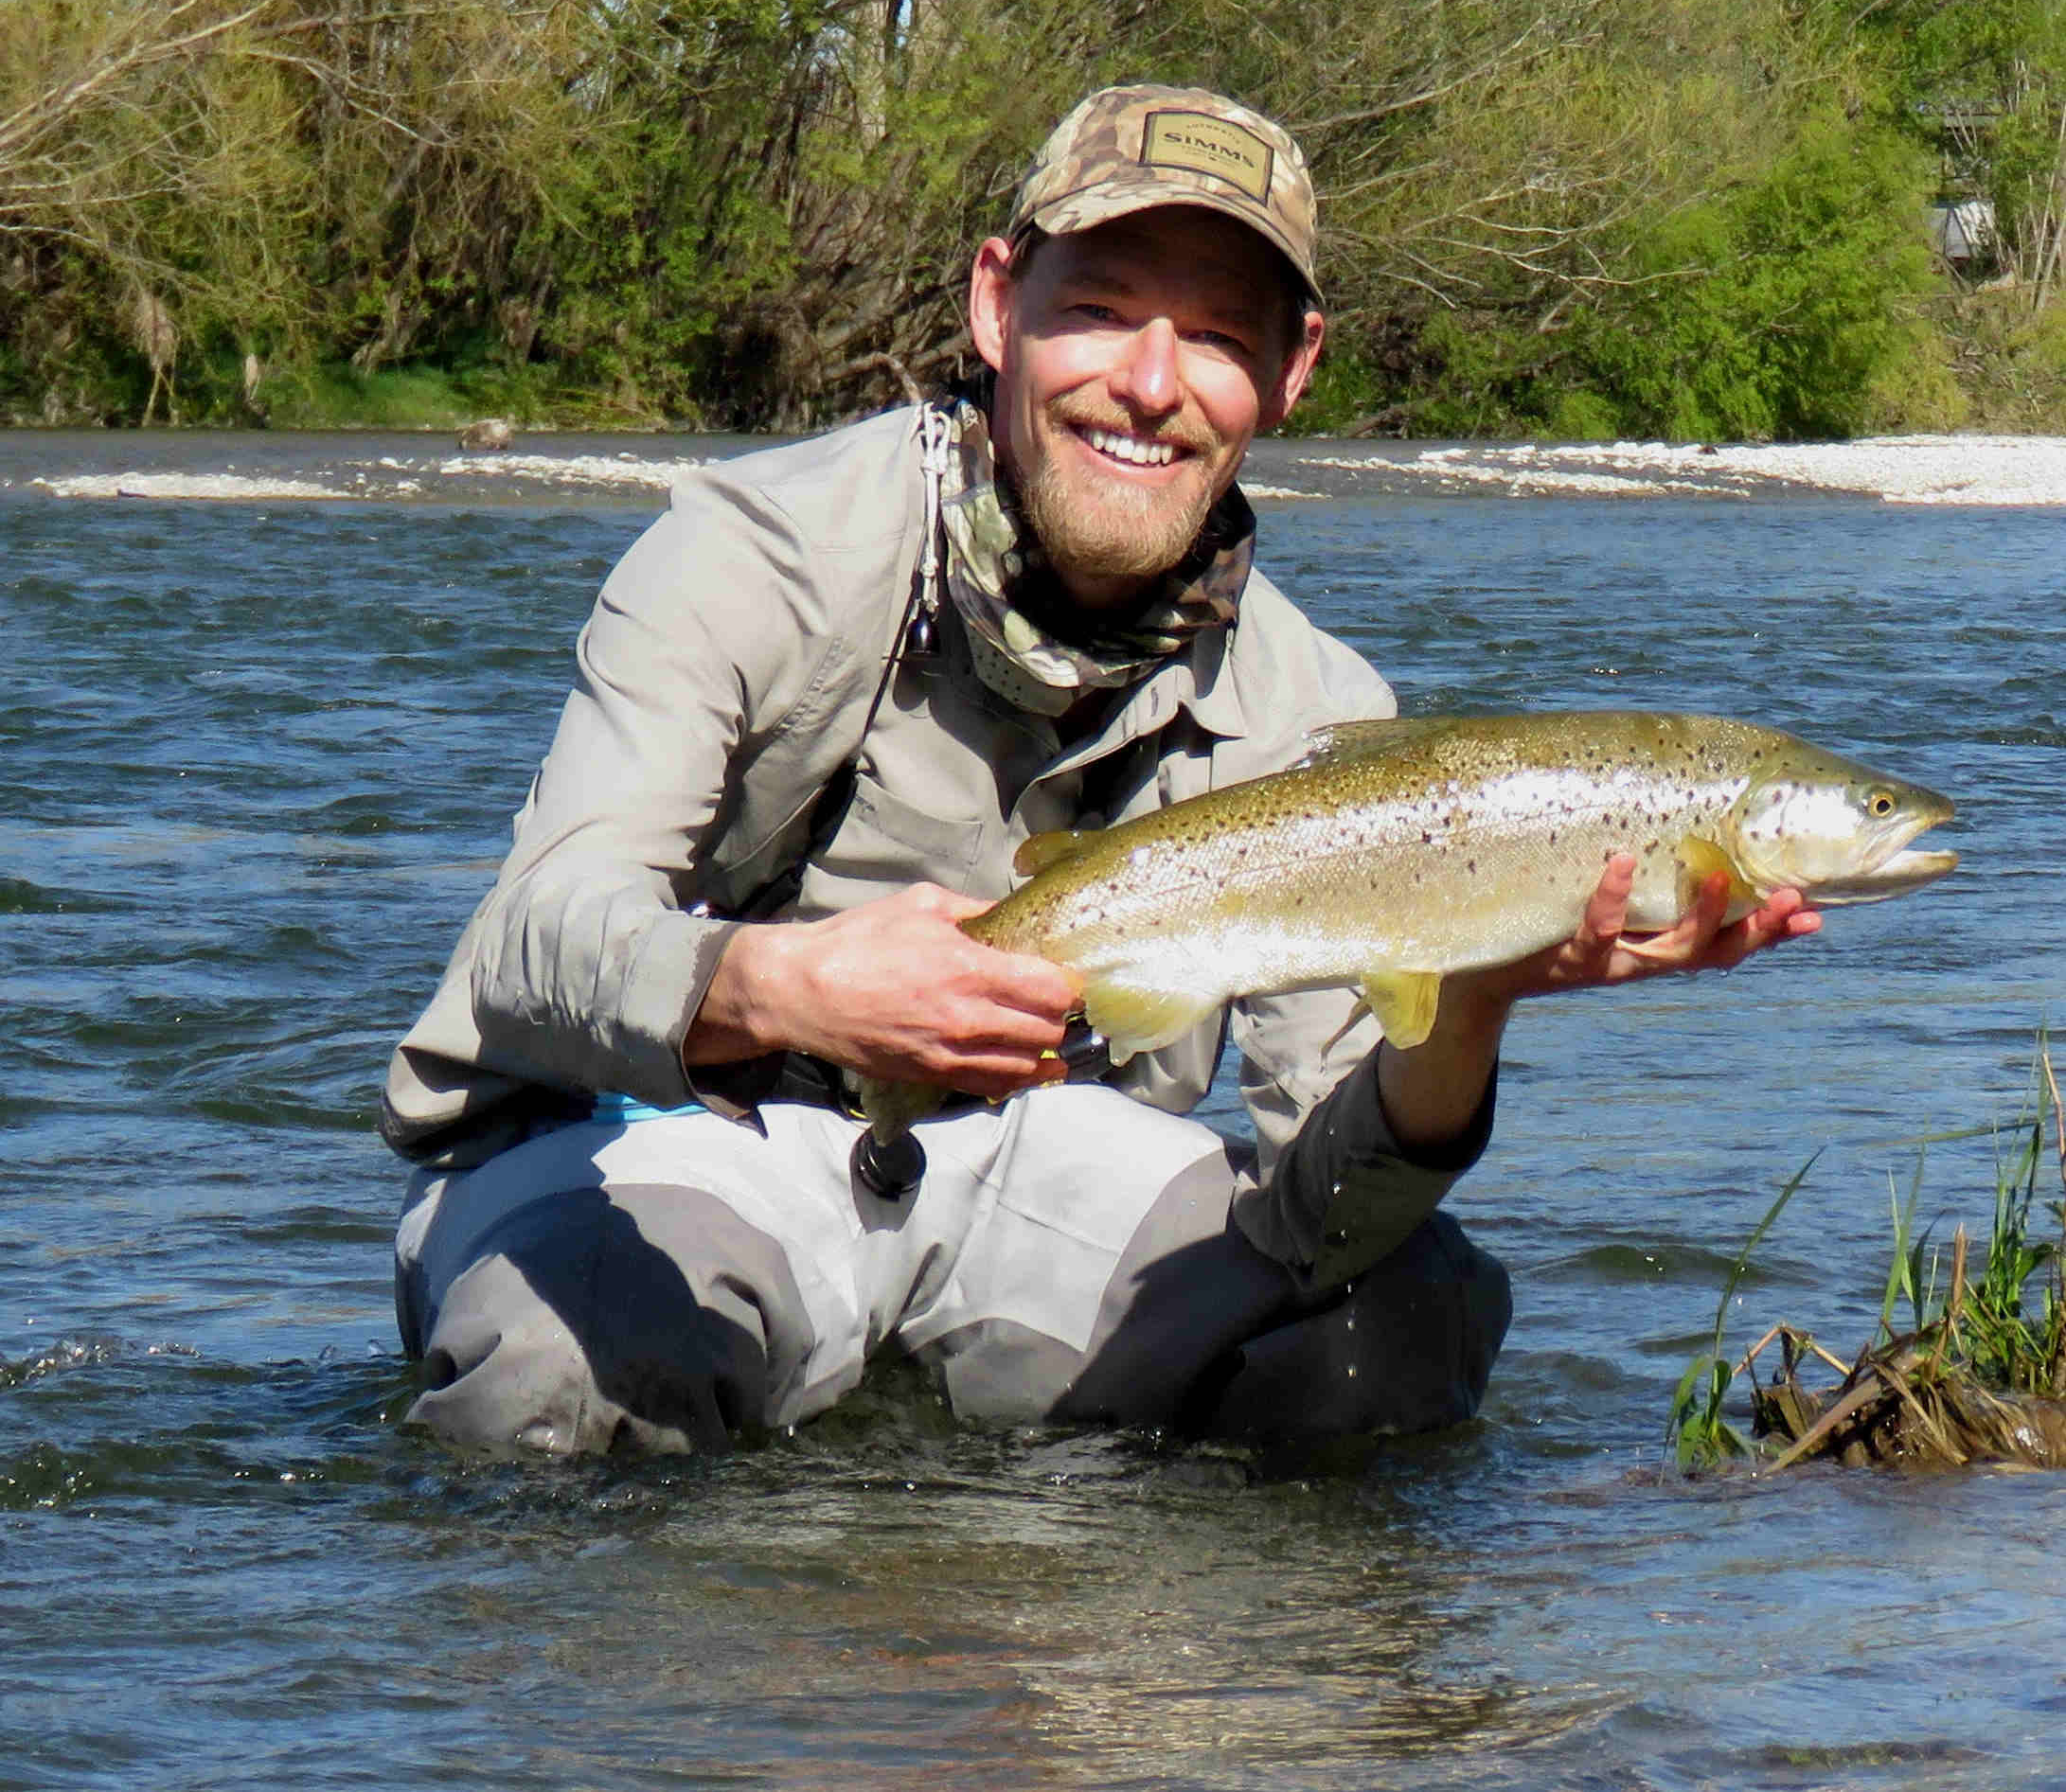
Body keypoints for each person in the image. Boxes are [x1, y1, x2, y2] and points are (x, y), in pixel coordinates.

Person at [382, 84, 1820, 1455]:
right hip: (677, 1140)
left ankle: (1165, 1675)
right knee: (552, 1375)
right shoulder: (753, 554)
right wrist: (777, 984)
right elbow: (526, 945)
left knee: (1393, 1328)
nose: (1148, 382)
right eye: (1102, 310)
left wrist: (1473, 1007)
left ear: (1291, 369)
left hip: (1028, 1177)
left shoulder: (1318, 713)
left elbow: (1319, 1216)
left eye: (1213, 336)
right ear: (998, 304)